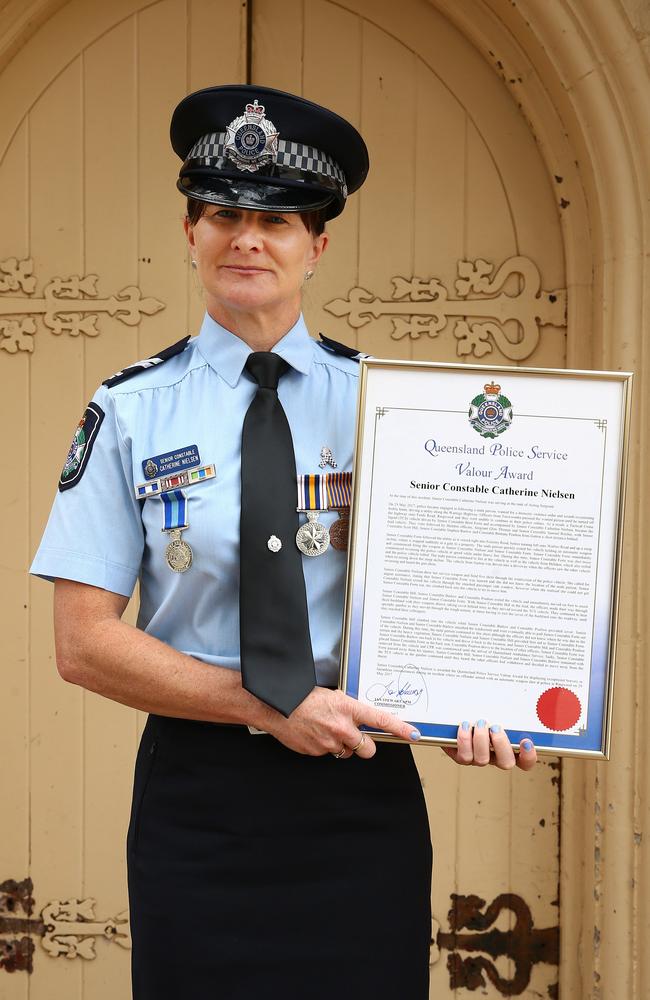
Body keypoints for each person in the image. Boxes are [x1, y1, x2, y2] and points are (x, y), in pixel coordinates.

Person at [31, 85, 537, 999]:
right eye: (223, 212)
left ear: (318, 245)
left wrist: (480, 699)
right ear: (190, 233)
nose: (248, 237)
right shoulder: (130, 410)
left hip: (357, 790)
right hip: (200, 797)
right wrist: (267, 707)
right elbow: (82, 645)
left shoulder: (399, 410)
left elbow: (462, 590)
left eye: (277, 219)